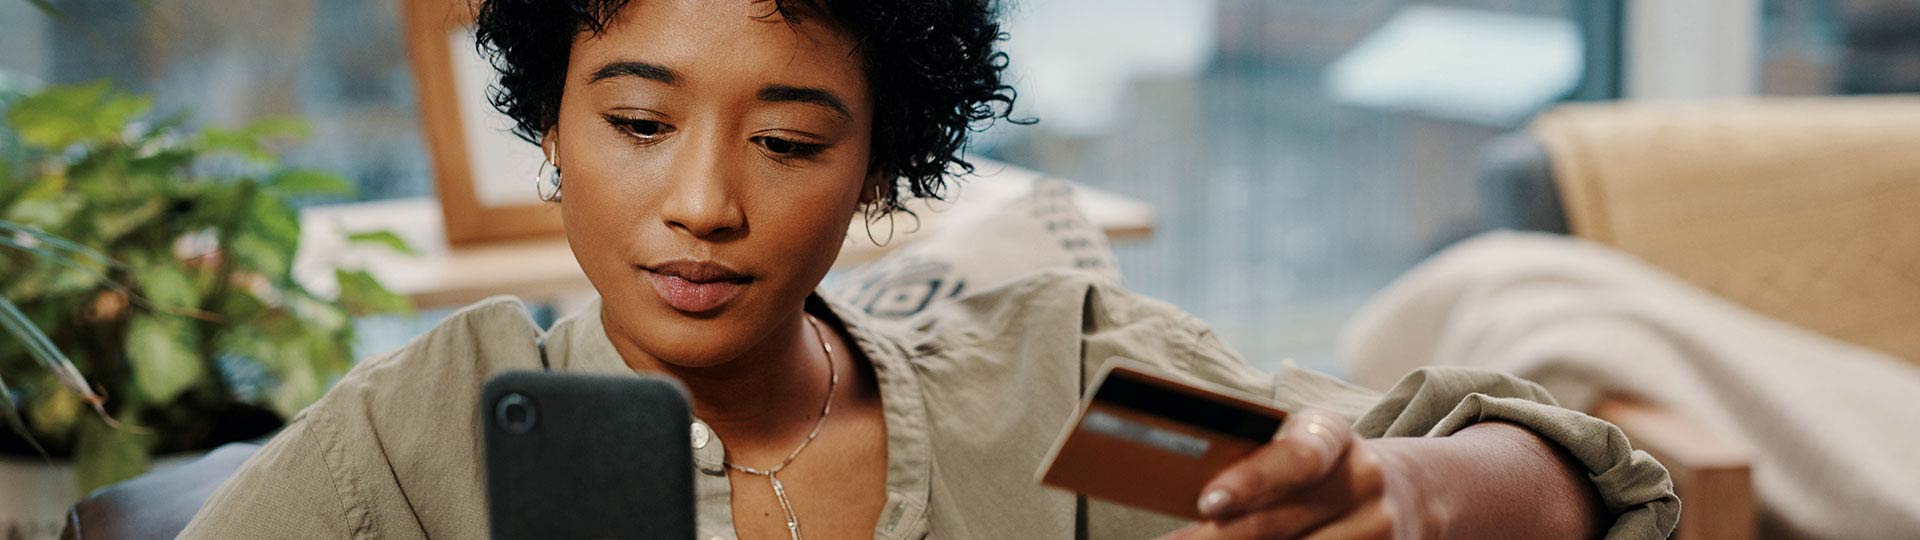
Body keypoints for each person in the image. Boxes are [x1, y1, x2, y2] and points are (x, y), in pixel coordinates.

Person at [181, 0, 1678, 538]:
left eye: (788, 139)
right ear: (554, 133)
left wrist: (1399, 497)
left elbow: (1586, 484)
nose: (701, 202)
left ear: (878, 171)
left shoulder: (1053, 404)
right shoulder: (427, 435)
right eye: (638, 121)